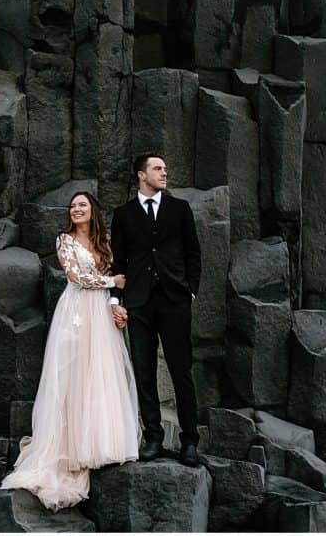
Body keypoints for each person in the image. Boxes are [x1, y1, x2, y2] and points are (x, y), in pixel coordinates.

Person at [0, 191, 140, 511]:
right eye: (73, 206)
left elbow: (120, 274)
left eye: (82, 205)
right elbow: (76, 276)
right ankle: (71, 447)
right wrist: (112, 283)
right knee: (74, 372)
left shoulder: (105, 241)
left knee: (101, 371)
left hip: (101, 312)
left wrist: (117, 300)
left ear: (93, 211)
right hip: (77, 309)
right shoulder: (64, 240)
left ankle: (101, 442)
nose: (76, 209)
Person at [109, 151, 202, 467]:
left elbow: (193, 253)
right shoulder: (123, 215)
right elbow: (118, 261)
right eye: (157, 168)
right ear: (141, 174)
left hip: (175, 300)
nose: (164, 173)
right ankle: (153, 437)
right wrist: (115, 299)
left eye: (165, 168)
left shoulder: (180, 209)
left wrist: (191, 291)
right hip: (138, 302)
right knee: (144, 372)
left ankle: (190, 441)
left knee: (181, 371)